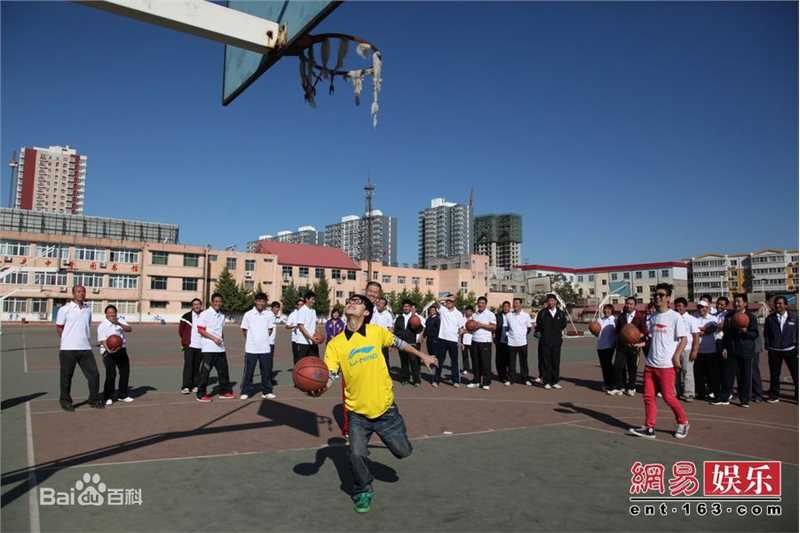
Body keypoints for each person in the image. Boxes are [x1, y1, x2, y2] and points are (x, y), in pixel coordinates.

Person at [312, 294, 437, 513]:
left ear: (367, 312)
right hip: (357, 413)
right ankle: (363, 490)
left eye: (357, 302)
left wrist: (422, 356)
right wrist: (319, 389)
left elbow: (400, 343)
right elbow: (331, 375)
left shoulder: (376, 332)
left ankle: (395, 432)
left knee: (403, 452)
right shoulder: (335, 344)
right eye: (349, 300)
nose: (351, 303)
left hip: (386, 411)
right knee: (356, 454)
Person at [629, 283, 690, 439]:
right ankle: (649, 428)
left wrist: (676, 356)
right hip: (650, 364)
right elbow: (651, 339)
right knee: (648, 397)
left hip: (666, 366)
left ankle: (683, 422)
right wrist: (639, 343)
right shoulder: (653, 317)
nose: (657, 297)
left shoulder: (675, 317)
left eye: (661, 295)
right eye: (656, 295)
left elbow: (683, 339)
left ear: (668, 298)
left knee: (669, 397)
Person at [56, 285, 102, 411]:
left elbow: (86, 326)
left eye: (83, 292)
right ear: (73, 294)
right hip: (68, 349)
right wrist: (68, 340)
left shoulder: (87, 309)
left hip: (85, 348)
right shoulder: (65, 309)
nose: (81, 294)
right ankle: (65, 401)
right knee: (66, 377)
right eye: (78, 292)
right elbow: (59, 328)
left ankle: (93, 399)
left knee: (94, 375)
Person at [714, 293, 758, 407]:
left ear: (745, 303)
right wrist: (724, 347)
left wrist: (745, 331)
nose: (736, 303)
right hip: (731, 349)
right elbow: (725, 334)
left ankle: (744, 400)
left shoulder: (751, 316)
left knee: (744, 376)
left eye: (739, 301)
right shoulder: (729, 316)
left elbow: (754, 334)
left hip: (745, 350)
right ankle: (724, 397)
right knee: (727, 375)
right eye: (735, 301)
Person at [195, 293, 235, 402]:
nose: (218, 303)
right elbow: (201, 330)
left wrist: (221, 341)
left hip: (220, 349)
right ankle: (201, 394)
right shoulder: (205, 314)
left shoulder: (222, 316)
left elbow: (220, 332)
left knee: (223, 372)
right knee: (205, 372)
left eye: (220, 301)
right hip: (208, 349)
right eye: (215, 301)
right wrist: (214, 339)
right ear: (212, 302)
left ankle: (224, 391)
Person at [240, 292, 276, 400]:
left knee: (265, 371)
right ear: (255, 301)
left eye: (263, 301)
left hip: (265, 348)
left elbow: (270, 330)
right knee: (248, 372)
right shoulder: (248, 314)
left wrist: (262, 339)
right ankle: (246, 391)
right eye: (259, 300)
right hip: (251, 348)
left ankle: (266, 391)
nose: (261, 303)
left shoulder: (269, 315)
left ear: (265, 303)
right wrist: (252, 340)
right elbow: (244, 330)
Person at [764, 295, 798, 403]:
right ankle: (774, 395)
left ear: (786, 305)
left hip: (790, 350)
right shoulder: (770, 318)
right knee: (774, 374)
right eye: (776, 303)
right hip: (775, 350)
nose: (778, 305)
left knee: (796, 374)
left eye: (780, 303)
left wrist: (797, 347)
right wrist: (769, 345)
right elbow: (766, 334)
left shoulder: (794, 317)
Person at [98, 304, 134, 405]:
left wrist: (118, 323)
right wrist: (109, 350)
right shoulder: (102, 325)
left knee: (124, 372)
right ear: (106, 314)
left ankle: (123, 395)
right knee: (111, 374)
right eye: (109, 313)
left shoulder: (120, 320)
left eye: (113, 313)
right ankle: (108, 396)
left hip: (121, 350)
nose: (111, 315)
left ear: (116, 313)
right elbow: (102, 341)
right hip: (108, 351)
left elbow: (129, 329)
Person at [612, 297, 647, 396]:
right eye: (627, 303)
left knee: (632, 368)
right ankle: (620, 386)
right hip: (622, 345)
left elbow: (644, 331)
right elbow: (618, 330)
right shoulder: (621, 316)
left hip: (634, 346)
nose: (628, 305)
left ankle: (631, 387)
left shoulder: (640, 316)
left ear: (635, 305)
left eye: (631, 304)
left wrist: (635, 337)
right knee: (618, 366)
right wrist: (621, 337)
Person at [535, 294, 568, 389]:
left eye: (553, 300)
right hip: (545, 341)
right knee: (546, 362)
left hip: (556, 341)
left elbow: (563, 324)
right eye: (549, 301)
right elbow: (539, 325)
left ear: (556, 302)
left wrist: (556, 332)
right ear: (547, 302)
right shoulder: (542, 313)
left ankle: (555, 381)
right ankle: (546, 381)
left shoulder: (561, 313)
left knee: (555, 362)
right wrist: (540, 333)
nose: (551, 302)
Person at [693, 299, 721, 401]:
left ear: (708, 308)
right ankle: (701, 393)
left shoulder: (713, 318)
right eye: (699, 307)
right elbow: (694, 331)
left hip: (711, 350)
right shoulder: (694, 318)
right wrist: (702, 331)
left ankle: (713, 391)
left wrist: (702, 331)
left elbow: (713, 328)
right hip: (698, 351)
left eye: (703, 307)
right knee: (699, 374)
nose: (701, 309)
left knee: (712, 374)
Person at [466, 296, 496, 390]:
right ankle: (476, 381)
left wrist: (481, 325)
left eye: (482, 303)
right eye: (479, 303)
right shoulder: (474, 315)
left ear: (485, 304)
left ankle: (486, 382)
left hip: (485, 341)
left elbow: (494, 327)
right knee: (475, 362)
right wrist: (467, 329)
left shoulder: (490, 314)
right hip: (475, 340)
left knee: (485, 363)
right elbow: (471, 327)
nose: (480, 304)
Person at [435, 295, 466, 387]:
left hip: (453, 340)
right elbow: (436, 301)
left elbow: (461, 328)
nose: (448, 302)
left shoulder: (459, 314)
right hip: (442, 339)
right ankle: (436, 380)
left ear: (454, 303)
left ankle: (455, 381)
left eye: (451, 301)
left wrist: (460, 341)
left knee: (454, 361)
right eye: (447, 301)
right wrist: (445, 298)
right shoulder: (443, 310)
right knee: (439, 360)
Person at [674, 297, 700, 402]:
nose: (678, 308)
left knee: (687, 371)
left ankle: (689, 393)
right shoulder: (674, 318)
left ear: (685, 307)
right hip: (675, 349)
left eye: (680, 306)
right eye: (676, 306)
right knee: (676, 372)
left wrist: (695, 350)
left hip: (687, 349)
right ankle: (677, 392)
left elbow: (696, 336)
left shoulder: (691, 319)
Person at [394, 300, 422, 386]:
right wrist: (401, 335)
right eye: (404, 306)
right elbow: (396, 330)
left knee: (414, 362)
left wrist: (416, 326)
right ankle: (405, 378)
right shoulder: (399, 318)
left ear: (410, 307)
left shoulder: (415, 317)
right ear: (403, 308)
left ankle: (416, 380)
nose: (406, 308)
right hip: (401, 343)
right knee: (404, 362)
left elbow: (420, 329)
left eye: (408, 306)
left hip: (412, 343)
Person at [506, 298, 533, 386]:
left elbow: (529, 328)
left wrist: (522, 335)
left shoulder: (526, 315)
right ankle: (511, 379)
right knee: (511, 363)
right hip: (511, 343)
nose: (515, 305)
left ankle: (525, 379)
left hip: (522, 343)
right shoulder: (509, 315)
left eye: (517, 303)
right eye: (514, 303)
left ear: (521, 304)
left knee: (523, 362)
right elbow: (506, 328)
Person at [179, 298, 203, 394]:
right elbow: (181, 331)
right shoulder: (186, 316)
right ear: (192, 306)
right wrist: (185, 341)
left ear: (201, 305)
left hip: (201, 346)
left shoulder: (204, 316)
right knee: (188, 366)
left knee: (197, 366)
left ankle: (195, 385)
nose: (197, 306)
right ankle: (186, 386)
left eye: (198, 304)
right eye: (194, 304)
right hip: (189, 345)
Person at [594, 304, 617, 393]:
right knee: (604, 366)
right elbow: (596, 331)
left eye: (609, 309)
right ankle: (607, 383)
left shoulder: (614, 320)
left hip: (610, 346)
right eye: (606, 309)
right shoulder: (599, 320)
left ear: (612, 311)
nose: (607, 311)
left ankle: (612, 383)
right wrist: (593, 330)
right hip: (600, 346)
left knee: (608, 365)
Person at [293, 292, 321, 361]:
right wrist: (311, 338)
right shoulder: (302, 310)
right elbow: (301, 327)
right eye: (312, 299)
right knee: (302, 365)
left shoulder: (313, 311)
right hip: (303, 342)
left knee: (315, 362)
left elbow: (314, 325)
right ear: (307, 299)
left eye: (314, 300)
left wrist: (318, 334)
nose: (314, 301)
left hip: (313, 342)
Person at [371, 297, 395, 367]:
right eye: (379, 302)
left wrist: (391, 343)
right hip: (373, 341)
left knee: (384, 359)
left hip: (383, 342)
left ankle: (387, 375)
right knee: (374, 359)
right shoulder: (373, 313)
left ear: (384, 306)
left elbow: (390, 329)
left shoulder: (388, 315)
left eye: (382, 303)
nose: (379, 304)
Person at [422, 305, 441, 386]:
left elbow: (440, 330)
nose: (432, 311)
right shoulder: (429, 318)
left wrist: (438, 339)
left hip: (435, 340)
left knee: (435, 357)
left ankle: (436, 377)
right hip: (429, 340)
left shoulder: (437, 319)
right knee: (431, 356)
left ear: (436, 311)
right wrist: (423, 337)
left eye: (433, 310)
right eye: (431, 310)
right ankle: (433, 373)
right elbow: (426, 329)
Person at [494, 301, 512, 385]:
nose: (505, 308)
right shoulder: (497, 316)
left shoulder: (513, 315)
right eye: (504, 306)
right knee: (500, 359)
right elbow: (494, 326)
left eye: (507, 306)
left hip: (511, 340)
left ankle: (509, 376)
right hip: (500, 338)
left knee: (509, 359)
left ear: (509, 307)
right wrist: (493, 334)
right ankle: (502, 375)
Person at [285, 298, 306, 363]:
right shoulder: (293, 314)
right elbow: (287, 326)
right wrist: (295, 326)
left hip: (305, 339)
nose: (301, 306)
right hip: (296, 340)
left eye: (302, 305)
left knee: (305, 357)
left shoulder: (307, 313)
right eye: (299, 305)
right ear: (296, 306)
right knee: (297, 357)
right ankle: (297, 371)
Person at [460, 305, 475, 377]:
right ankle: (466, 368)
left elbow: (475, 329)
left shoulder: (474, 319)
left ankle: (475, 369)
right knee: (464, 356)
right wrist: (460, 342)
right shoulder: (462, 319)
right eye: (467, 310)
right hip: (464, 341)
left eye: (470, 311)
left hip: (472, 340)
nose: (468, 312)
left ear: (472, 312)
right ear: (465, 311)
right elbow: (460, 330)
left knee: (474, 356)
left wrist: (467, 331)